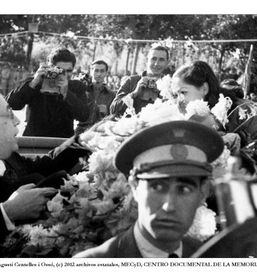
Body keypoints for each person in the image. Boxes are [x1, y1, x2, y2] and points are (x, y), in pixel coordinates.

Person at [0, 87, 89, 257]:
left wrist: (87, 138)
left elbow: (45, 164)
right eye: (9, 114)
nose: (18, 122)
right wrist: (8, 211)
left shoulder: (7, 155)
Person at [74, 120, 224, 258]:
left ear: (203, 193)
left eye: (184, 189)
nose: (169, 206)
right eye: (157, 187)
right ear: (134, 186)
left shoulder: (207, 257)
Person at [171, 61, 257, 174]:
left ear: (204, 88)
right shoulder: (191, 118)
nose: (178, 101)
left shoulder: (246, 113)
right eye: (175, 95)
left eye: (183, 92)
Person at [6, 48, 90, 137]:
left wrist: (66, 93)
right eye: (60, 70)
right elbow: (11, 104)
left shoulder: (77, 87)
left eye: (68, 71)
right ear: (51, 68)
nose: (64, 74)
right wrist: (33, 83)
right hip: (35, 141)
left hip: (62, 142)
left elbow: (83, 116)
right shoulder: (36, 83)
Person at [109, 45, 170, 116]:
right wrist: (134, 93)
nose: (156, 64)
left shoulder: (169, 85)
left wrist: (163, 95)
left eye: (161, 60)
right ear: (147, 60)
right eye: (153, 59)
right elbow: (113, 110)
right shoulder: (131, 81)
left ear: (167, 63)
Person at [76, 59, 115, 134]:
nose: (99, 74)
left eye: (102, 71)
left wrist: (107, 113)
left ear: (106, 73)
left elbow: (113, 119)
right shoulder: (82, 89)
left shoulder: (112, 95)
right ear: (91, 71)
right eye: (96, 70)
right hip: (80, 131)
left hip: (99, 133)